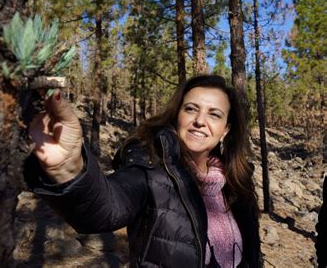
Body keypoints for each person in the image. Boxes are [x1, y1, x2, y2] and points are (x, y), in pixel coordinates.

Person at [24, 75, 261, 267]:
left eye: (214, 114)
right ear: (177, 115)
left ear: (226, 129)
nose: (200, 120)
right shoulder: (150, 168)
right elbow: (106, 208)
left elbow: (251, 251)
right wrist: (69, 167)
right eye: (191, 109)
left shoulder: (237, 180)